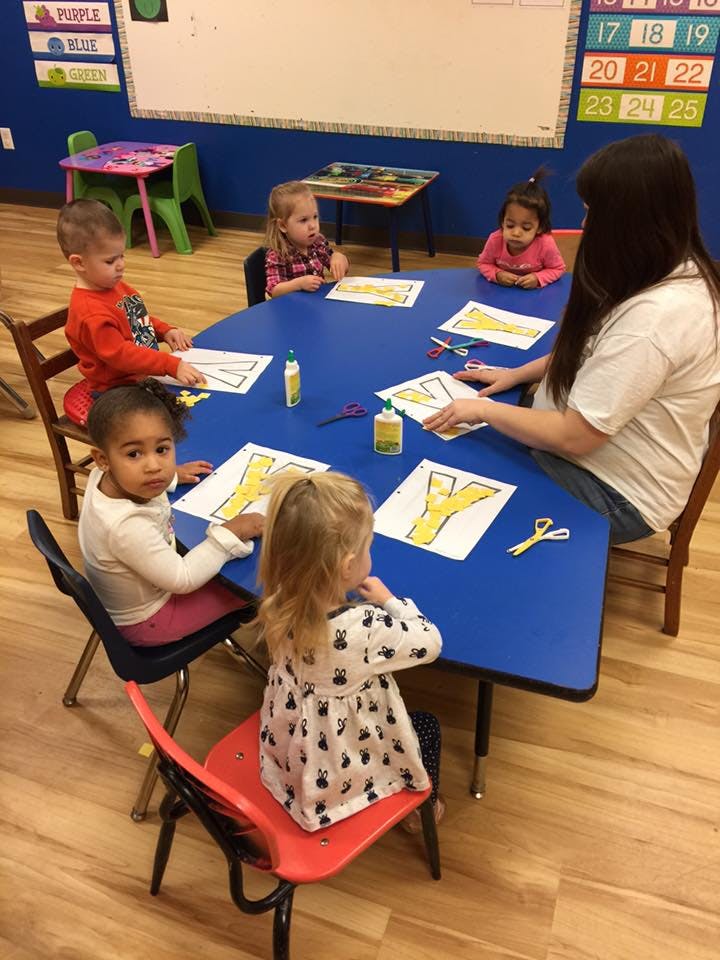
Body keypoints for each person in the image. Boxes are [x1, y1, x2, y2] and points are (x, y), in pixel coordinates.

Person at [425, 135, 720, 545]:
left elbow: (575, 436)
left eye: (591, 213)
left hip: (618, 491)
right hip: (598, 456)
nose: (584, 226)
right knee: (469, 450)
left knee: (463, 475)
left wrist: (485, 411)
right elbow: (592, 349)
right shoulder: (664, 266)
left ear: (629, 220)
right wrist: (516, 375)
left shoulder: (657, 318)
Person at [255, 471, 444, 832]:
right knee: (429, 727)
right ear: (347, 567)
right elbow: (430, 642)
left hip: (290, 754)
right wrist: (392, 602)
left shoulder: (278, 603)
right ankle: (424, 812)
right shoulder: (366, 628)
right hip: (345, 771)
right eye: (368, 546)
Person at [79, 379, 264, 646]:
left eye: (162, 449)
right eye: (134, 454)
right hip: (150, 622)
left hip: (139, 597)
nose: (154, 465)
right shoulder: (125, 527)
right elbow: (183, 578)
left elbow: (141, 472)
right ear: (103, 459)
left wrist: (172, 475)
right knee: (260, 586)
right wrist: (229, 533)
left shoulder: (103, 476)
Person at [58, 199, 206, 392]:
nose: (121, 265)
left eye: (122, 255)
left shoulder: (114, 286)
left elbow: (137, 320)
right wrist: (170, 365)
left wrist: (165, 331)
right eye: (110, 260)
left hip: (141, 375)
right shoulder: (91, 313)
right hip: (116, 389)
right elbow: (122, 355)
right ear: (79, 263)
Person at [478, 168, 565, 289]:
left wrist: (538, 278)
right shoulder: (495, 240)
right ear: (502, 222)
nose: (516, 233)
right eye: (510, 225)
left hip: (535, 299)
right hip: (499, 296)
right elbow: (483, 263)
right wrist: (497, 275)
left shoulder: (545, 244)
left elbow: (557, 268)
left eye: (526, 228)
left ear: (540, 227)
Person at [264, 181, 349, 298]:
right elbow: (274, 290)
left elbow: (335, 261)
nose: (312, 225)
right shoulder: (277, 254)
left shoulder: (317, 243)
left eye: (315, 217)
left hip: (316, 304)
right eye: (304, 220)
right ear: (283, 225)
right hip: (290, 309)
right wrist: (298, 284)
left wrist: (339, 258)